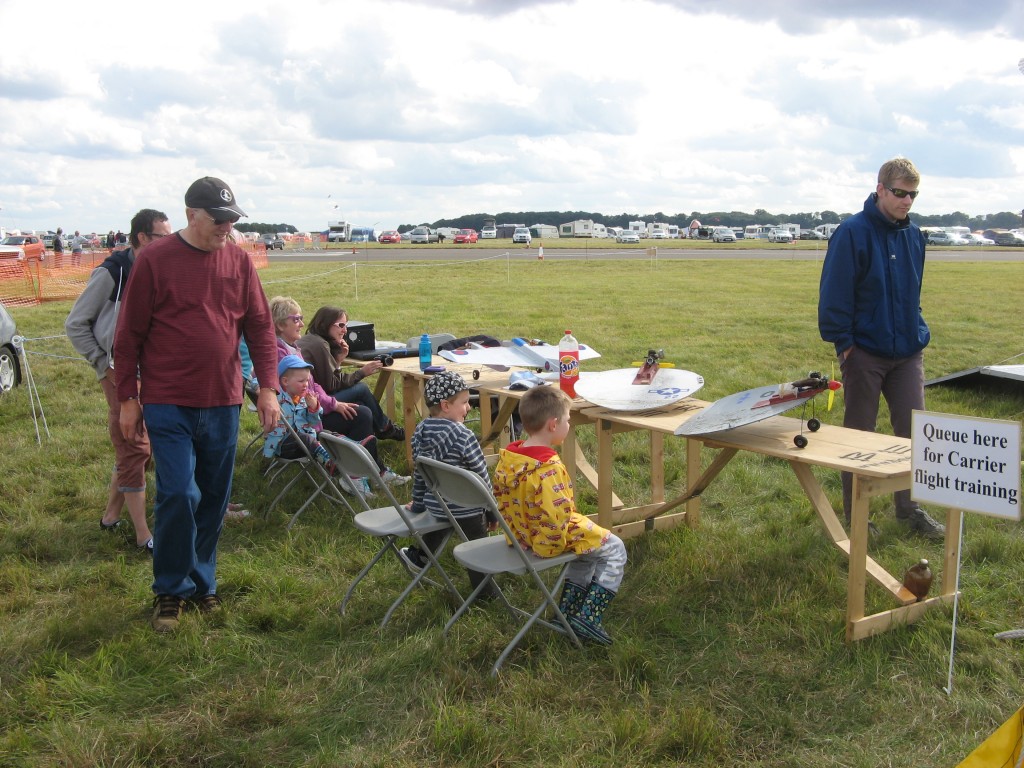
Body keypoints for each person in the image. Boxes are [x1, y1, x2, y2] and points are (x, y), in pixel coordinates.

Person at [114, 176, 281, 633]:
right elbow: (127, 335)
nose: (227, 228)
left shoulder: (239, 262)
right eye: (219, 220)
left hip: (224, 401)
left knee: (212, 498)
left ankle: (201, 583)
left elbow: (261, 329)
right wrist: (128, 397)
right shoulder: (155, 260)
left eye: (232, 220)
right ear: (191, 215)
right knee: (178, 494)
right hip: (168, 400)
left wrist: (268, 387)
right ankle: (169, 590)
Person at [818, 156, 945, 540]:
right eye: (899, 193)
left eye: (913, 195)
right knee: (859, 436)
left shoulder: (914, 236)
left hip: (907, 352)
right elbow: (834, 296)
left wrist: (913, 329)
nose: (906, 201)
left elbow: (913, 292)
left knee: (913, 431)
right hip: (865, 354)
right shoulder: (851, 233)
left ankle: (910, 509)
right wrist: (846, 346)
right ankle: (858, 516)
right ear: (880, 189)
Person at [65, 209, 172, 555]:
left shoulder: (156, 268)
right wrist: (104, 365)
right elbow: (75, 324)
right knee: (136, 447)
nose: (169, 244)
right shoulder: (113, 272)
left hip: (151, 372)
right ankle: (144, 536)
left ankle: (111, 516)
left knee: (138, 447)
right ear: (143, 237)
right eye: (162, 237)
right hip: (119, 372)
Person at [493, 385, 627, 645]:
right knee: (615, 548)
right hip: (546, 539)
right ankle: (589, 617)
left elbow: (503, 501)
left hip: (523, 534)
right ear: (553, 425)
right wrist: (548, 548)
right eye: (567, 419)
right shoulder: (549, 468)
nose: (569, 423)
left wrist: (517, 537)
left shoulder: (509, 458)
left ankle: (566, 612)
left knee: (587, 552)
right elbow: (557, 519)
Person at [268, 296, 407, 486]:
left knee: (362, 408)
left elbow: (315, 385)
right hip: (303, 422)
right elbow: (315, 389)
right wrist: (335, 402)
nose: (301, 323)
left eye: (301, 318)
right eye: (296, 319)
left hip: (309, 412)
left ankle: (367, 471)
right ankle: (364, 473)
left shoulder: (293, 348)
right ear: (280, 325)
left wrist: (335, 398)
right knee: (362, 408)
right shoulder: (285, 353)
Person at [398, 371, 497, 594]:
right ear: (445, 405)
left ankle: (421, 557)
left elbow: (421, 474)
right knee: (476, 548)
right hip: (469, 511)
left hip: (439, 506)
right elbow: (481, 477)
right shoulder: (465, 436)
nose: (469, 407)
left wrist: (418, 503)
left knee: (443, 516)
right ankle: (484, 592)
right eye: (464, 402)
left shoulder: (420, 432)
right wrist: (491, 511)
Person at [296, 305, 405, 442]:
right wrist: (361, 373)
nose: (345, 330)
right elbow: (331, 386)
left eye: (346, 325)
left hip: (309, 401)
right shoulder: (320, 344)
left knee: (360, 404)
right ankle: (385, 428)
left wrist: (338, 361)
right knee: (361, 389)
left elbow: (325, 380)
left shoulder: (311, 339)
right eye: (341, 325)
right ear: (325, 324)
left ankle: (369, 437)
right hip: (311, 407)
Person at [263, 355, 337, 471]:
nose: (306, 384)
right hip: (283, 446)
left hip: (304, 442)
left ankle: (352, 447)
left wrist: (314, 408)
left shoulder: (303, 399)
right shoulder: (276, 396)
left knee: (326, 434)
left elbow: (313, 422)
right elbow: (258, 380)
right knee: (305, 438)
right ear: (285, 381)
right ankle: (328, 462)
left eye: (307, 380)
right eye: (301, 381)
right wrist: (262, 390)